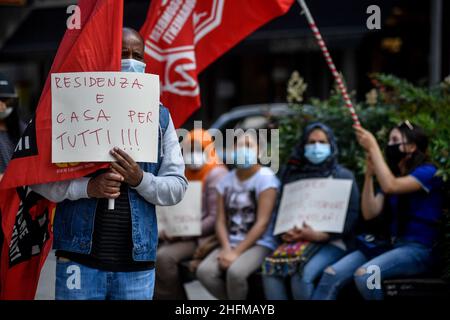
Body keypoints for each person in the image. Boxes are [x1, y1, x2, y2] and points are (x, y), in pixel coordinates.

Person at [31, 27, 188, 300]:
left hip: (136, 267)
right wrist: (87, 188)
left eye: (136, 55)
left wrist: (140, 178)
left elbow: (177, 187)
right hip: (79, 261)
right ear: (105, 58)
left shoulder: (160, 116)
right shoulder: (72, 111)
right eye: (121, 54)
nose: (130, 61)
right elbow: (39, 180)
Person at [313, 121, 443, 300]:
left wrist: (373, 146)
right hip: (389, 245)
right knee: (331, 274)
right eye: (388, 141)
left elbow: (391, 186)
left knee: (366, 276)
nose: (390, 145)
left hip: (418, 250)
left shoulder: (428, 172)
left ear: (412, 146)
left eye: (395, 140)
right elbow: (370, 212)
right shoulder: (393, 176)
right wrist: (369, 175)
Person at [262, 122, 360, 300]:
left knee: (302, 274)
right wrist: (284, 232)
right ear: (302, 146)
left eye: (322, 142)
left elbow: (352, 216)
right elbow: (279, 210)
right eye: (311, 142)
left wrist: (323, 235)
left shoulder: (343, 176)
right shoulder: (291, 174)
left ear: (331, 145)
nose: (317, 147)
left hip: (333, 243)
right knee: (269, 270)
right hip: (295, 241)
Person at [196, 131, 280, 300]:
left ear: (259, 152)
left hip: (260, 243)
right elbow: (220, 221)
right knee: (204, 272)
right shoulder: (225, 180)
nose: (243, 149)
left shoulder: (266, 179)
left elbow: (262, 223)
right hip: (230, 242)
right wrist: (227, 248)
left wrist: (236, 253)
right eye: (239, 145)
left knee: (235, 273)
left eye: (248, 146)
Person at [154, 129, 228, 299]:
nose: (193, 154)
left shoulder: (216, 174)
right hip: (181, 234)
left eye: (199, 149)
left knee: (164, 258)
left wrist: (182, 232)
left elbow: (214, 218)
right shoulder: (184, 173)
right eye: (188, 149)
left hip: (204, 237)